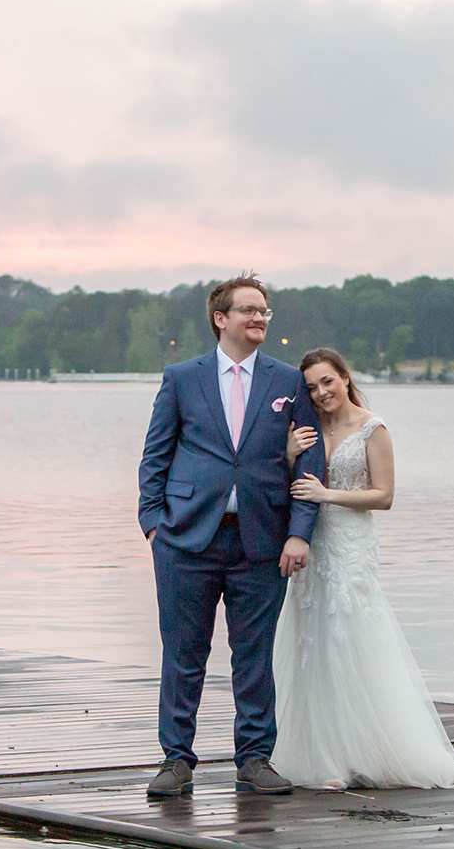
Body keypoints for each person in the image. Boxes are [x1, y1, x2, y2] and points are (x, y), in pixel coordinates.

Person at [138, 274, 328, 797]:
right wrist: (154, 524)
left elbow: (310, 462)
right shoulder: (182, 378)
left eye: (265, 311)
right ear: (221, 318)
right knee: (183, 653)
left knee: (254, 655)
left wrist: (300, 534)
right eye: (249, 310)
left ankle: (254, 758)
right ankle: (176, 759)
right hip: (185, 540)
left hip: (262, 543)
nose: (260, 318)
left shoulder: (288, 383)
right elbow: (155, 456)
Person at [271, 348, 454, 789]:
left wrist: (329, 496)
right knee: (310, 640)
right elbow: (291, 484)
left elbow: (384, 496)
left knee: (348, 638)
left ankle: (363, 751)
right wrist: (287, 455)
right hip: (313, 544)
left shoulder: (372, 428)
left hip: (349, 544)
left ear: (344, 377)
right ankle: (322, 754)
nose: (321, 393)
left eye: (328, 382)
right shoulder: (310, 430)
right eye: (312, 388)